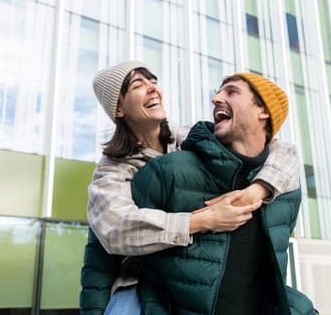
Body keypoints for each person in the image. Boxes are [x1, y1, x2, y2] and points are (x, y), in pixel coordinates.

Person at [79, 61, 301, 315]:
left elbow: (283, 151)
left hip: (190, 274)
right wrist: (206, 220)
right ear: (118, 108)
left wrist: (258, 190)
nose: (153, 89)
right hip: (137, 276)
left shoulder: (188, 139)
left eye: (153, 81)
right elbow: (115, 229)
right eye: (138, 85)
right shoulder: (112, 170)